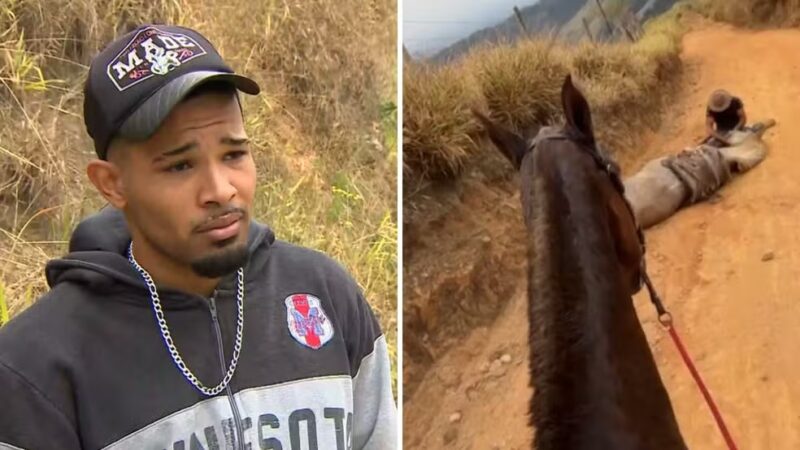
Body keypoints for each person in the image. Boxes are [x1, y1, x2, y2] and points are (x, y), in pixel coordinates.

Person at [0, 24, 396, 450]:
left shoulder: (326, 295)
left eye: (234, 154)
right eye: (180, 166)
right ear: (111, 184)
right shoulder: (35, 372)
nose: (221, 189)